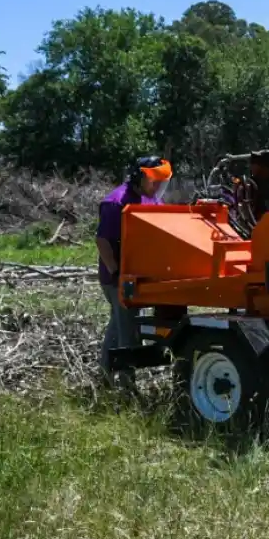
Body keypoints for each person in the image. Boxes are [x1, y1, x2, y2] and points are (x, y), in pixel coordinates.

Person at [96, 155, 173, 391]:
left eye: (162, 182)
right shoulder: (116, 202)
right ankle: (128, 388)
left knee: (119, 326)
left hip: (139, 275)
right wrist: (118, 273)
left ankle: (105, 376)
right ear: (140, 177)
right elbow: (103, 241)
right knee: (127, 331)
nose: (158, 186)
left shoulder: (151, 201)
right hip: (118, 278)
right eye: (154, 181)